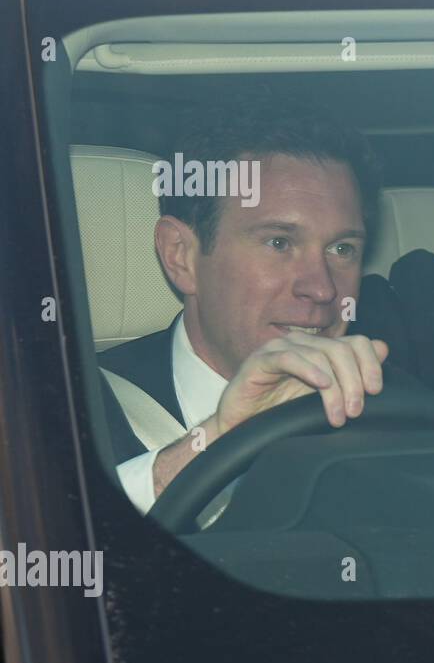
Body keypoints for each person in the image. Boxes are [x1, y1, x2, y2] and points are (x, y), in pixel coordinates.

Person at [101, 94, 396, 515]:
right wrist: (219, 441)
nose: (322, 289)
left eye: (342, 249)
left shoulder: (401, 410)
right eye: (279, 242)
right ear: (180, 255)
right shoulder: (58, 409)